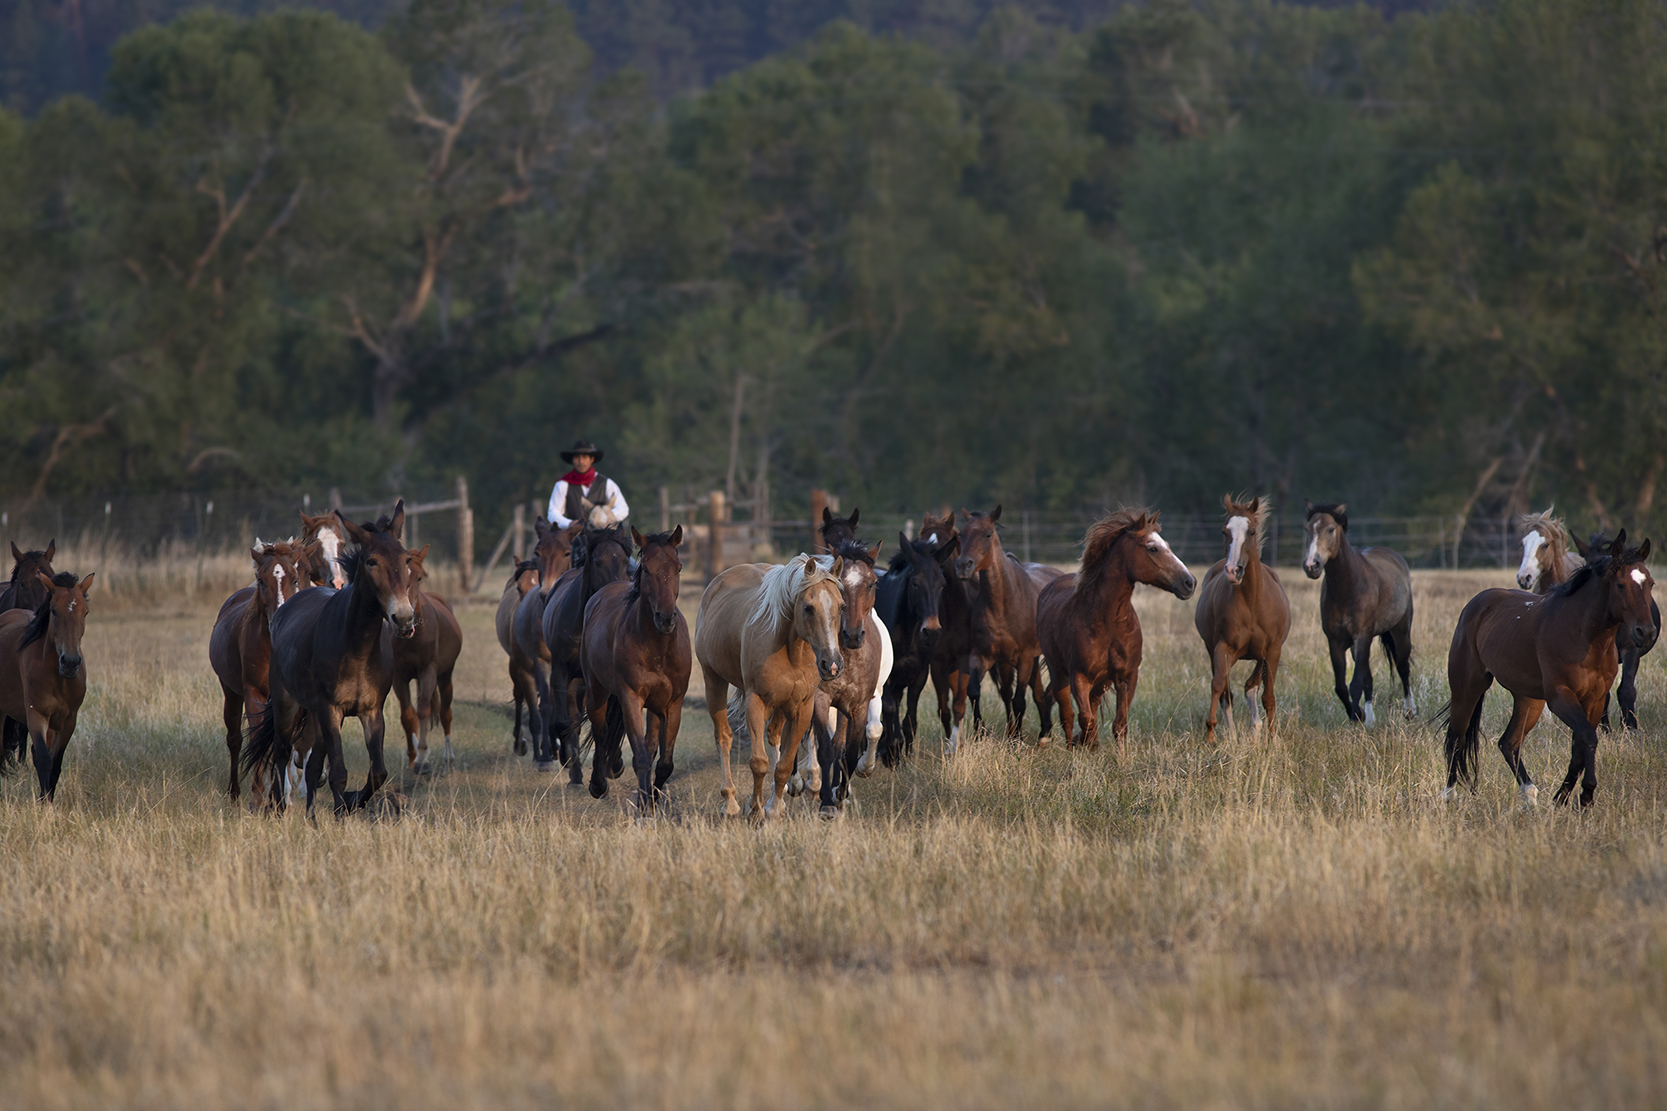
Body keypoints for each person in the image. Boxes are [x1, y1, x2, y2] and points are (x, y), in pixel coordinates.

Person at [547, 439, 629, 530]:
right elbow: (553, 512)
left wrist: (608, 516)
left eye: (584, 457)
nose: (581, 461)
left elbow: (623, 508)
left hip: (601, 535)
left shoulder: (606, 483)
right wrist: (569, 523)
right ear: (573, 460)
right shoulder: (563, 484)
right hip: (575, 537)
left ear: (592, 459)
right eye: (577, 457)